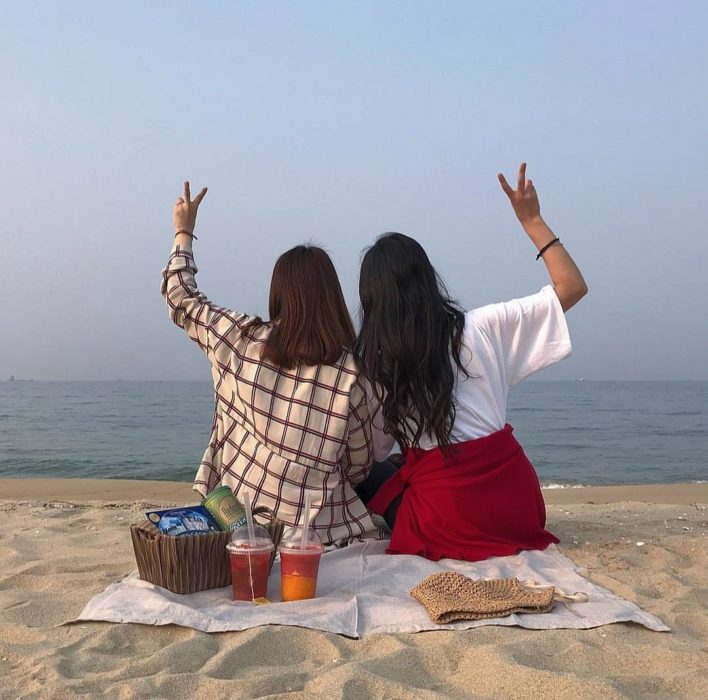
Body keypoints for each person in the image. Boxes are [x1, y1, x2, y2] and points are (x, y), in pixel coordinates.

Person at [354, 163, 588, 562]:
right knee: (406, 463)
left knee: (368, 472)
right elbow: (572, 287)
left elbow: (374, 454)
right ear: (428, 279)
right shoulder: (484, 326)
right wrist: (532, 221)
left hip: (445, 522)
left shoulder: (378, 364)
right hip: (517, 508)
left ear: (372, 301)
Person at [162, 182, 375, 545]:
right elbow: (359, 467)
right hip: (317, 536)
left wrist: (184, 231)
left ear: (278, 293)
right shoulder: (353, 375)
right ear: (333, 298)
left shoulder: (241, 338)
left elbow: (180, 296)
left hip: (237, 525)